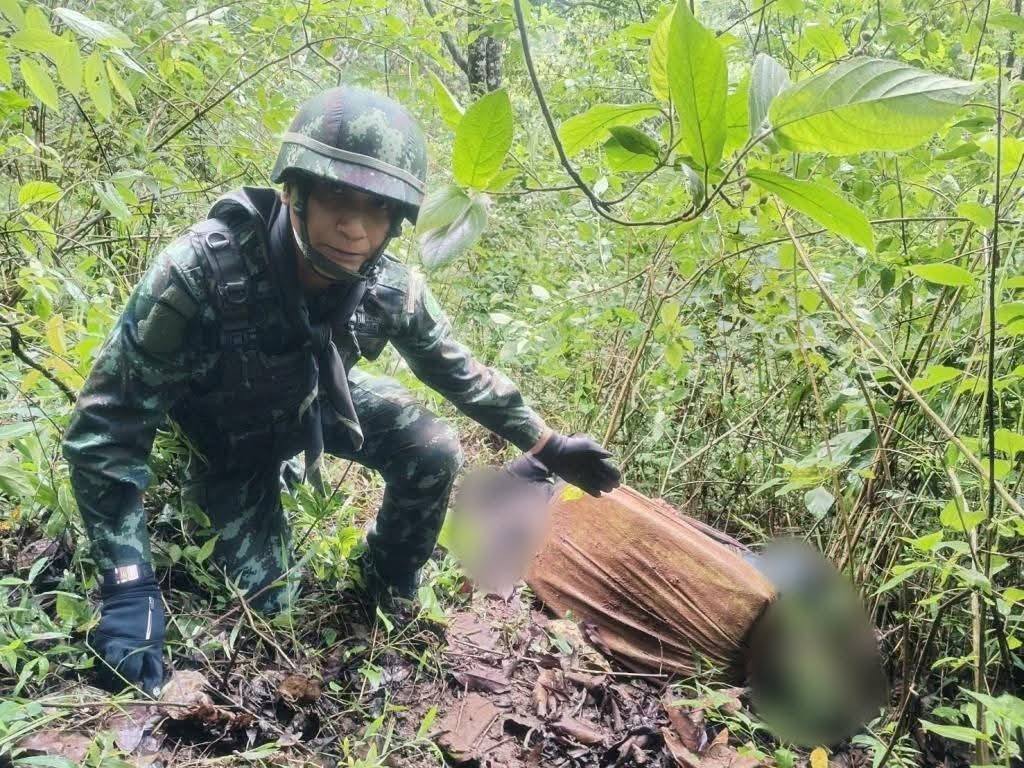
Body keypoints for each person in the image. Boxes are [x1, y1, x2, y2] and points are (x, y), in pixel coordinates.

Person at [61, 85, 621, 695]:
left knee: (432, 447)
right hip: (227, 442)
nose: (354, 228)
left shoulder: (386, 285)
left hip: (316, 400)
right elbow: (106, 429)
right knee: (269, 610)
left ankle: (388, 580)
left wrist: (546, 444)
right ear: (293, 191)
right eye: (335, 198)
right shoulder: (198, 273)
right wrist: (128, 584)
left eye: (377, 208)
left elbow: (455, 369)